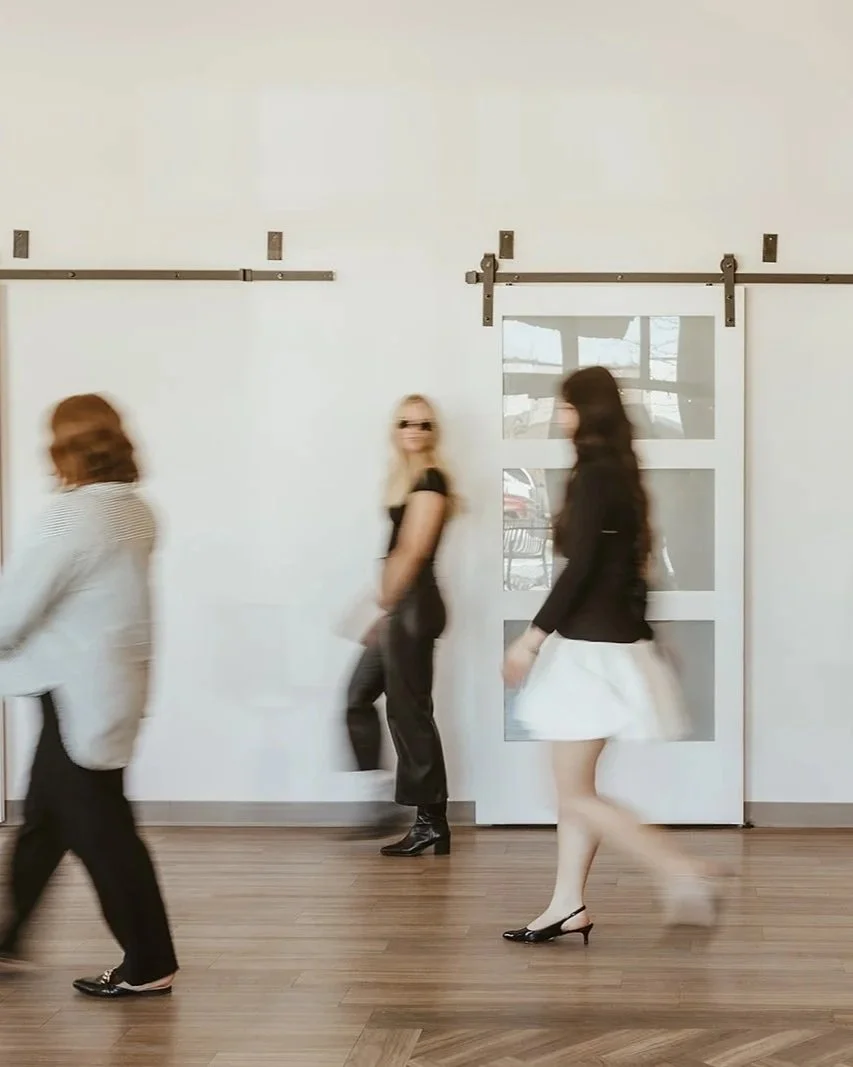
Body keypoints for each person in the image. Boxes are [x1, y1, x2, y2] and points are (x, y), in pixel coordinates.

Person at [502, 366, 725, 944]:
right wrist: (649, 632)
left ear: (587, 411)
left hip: (588, 654)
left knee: (575, 793)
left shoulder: (594, 475)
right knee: (575, 792)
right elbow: (634, 567)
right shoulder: (621, 475)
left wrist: (532, 638)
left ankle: (679, 869)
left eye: (567, 406)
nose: (560, 416)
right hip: (611, 645)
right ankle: (566, 905)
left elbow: (581, 570)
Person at [0, 394, 178, 997]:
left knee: (101, 832)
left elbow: (9, 615)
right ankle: (5, 938)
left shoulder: (70, 516)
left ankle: (150, 961)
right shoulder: (137, 512)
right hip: (111, 687)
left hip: (74, 694)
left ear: (64, 448)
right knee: (47, 823)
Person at [345, 394, 456, 856]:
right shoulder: (406, 480)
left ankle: (430, 821)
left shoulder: (431, 481)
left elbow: (411, 551)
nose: (415, 430)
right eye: (406, 422)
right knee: (358, 697)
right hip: (401, 608)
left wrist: (385, 604)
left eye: (425, 424)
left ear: (435, 432)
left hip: (412, 607)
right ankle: (383, 804)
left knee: (410, 713)